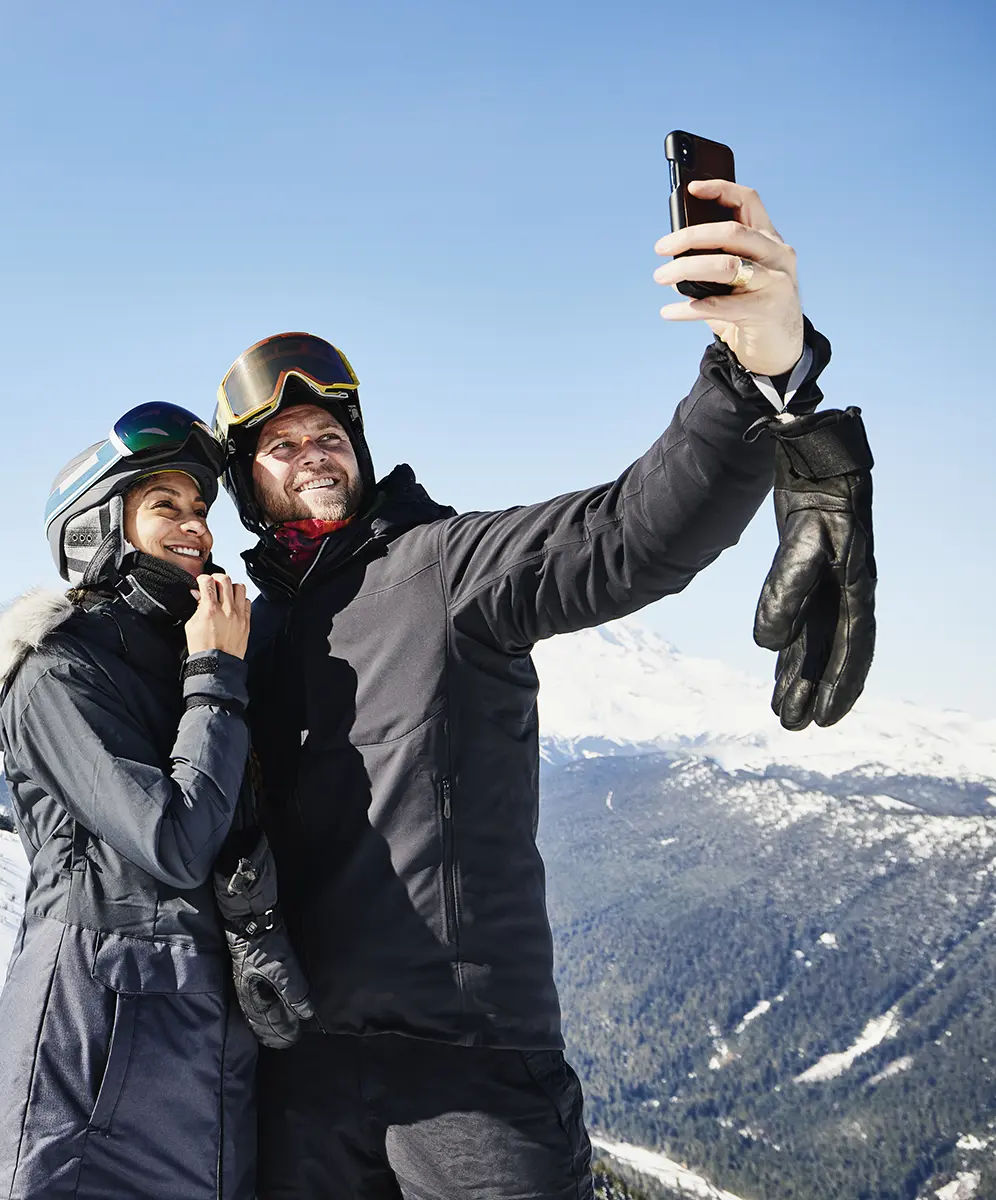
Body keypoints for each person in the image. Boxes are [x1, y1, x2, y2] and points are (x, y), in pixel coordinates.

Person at [211, 181, 832, 1199]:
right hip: (305, 1080)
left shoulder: (445, 565)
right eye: (281, 447)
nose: (311, 453)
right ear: (250, 483)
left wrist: (751, 365)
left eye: (328, 435)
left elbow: (632, 531)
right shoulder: (249, 632)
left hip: (470, 1078)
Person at [0, 402, 307, 1200]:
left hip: (204, 1041)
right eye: (167, 506)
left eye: (200, 509)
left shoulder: (187, 656)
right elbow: (174, 840)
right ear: (98, 528)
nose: (197, 526)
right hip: (95, 1038)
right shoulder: (56, 673)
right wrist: (216, 676)